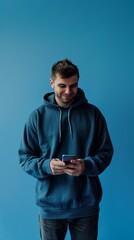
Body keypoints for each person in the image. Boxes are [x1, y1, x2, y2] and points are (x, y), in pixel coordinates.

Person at [18, 58, 114, 240]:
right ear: (52, 82)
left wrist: (85, 165)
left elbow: (106, 153)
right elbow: (25, 158)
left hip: (86, 204)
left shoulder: (93, 115)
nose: (68, 91)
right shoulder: (36, 117)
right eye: (62, 85)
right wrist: (47, 166)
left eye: (74, 85)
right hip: (50, 206)